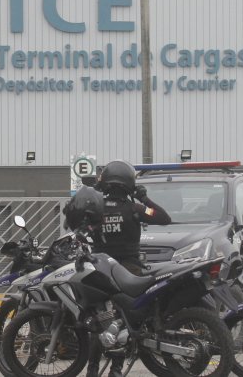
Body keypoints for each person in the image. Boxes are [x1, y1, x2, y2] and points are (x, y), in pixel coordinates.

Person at [82, 160, 171, 377]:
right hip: (130, 271)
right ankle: (116, 369)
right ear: (129, 184)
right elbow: (163, 217)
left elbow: (79, 228)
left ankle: (92, 370)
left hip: (100, 271)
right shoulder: (135, 208)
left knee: (99, 320)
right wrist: (144, 198)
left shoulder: (96, 209)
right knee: (125, 321)